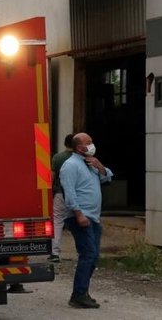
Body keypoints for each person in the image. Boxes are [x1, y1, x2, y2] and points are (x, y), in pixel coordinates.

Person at [59, 132, 113, 309]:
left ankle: (83, 291)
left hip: (93, 217)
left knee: (94, 256)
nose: (91, 145)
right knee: (88, 254)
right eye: (88, 143)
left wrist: (99, 165)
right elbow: (70, 192)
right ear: (78, 147)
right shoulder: (70, 165)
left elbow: (107, 177)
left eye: (91, 141)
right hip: (81, 216)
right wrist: (78, 214)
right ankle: (79, 294)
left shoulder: (90, 163)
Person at [49, 133, 74, 263]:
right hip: (78, 195)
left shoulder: (58, 158)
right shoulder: (81, 158)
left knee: (57, 221)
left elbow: (52, 177)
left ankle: (54, 253)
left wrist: (49, 191)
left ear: (65, 144)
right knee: (78, 221)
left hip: (60, 193)